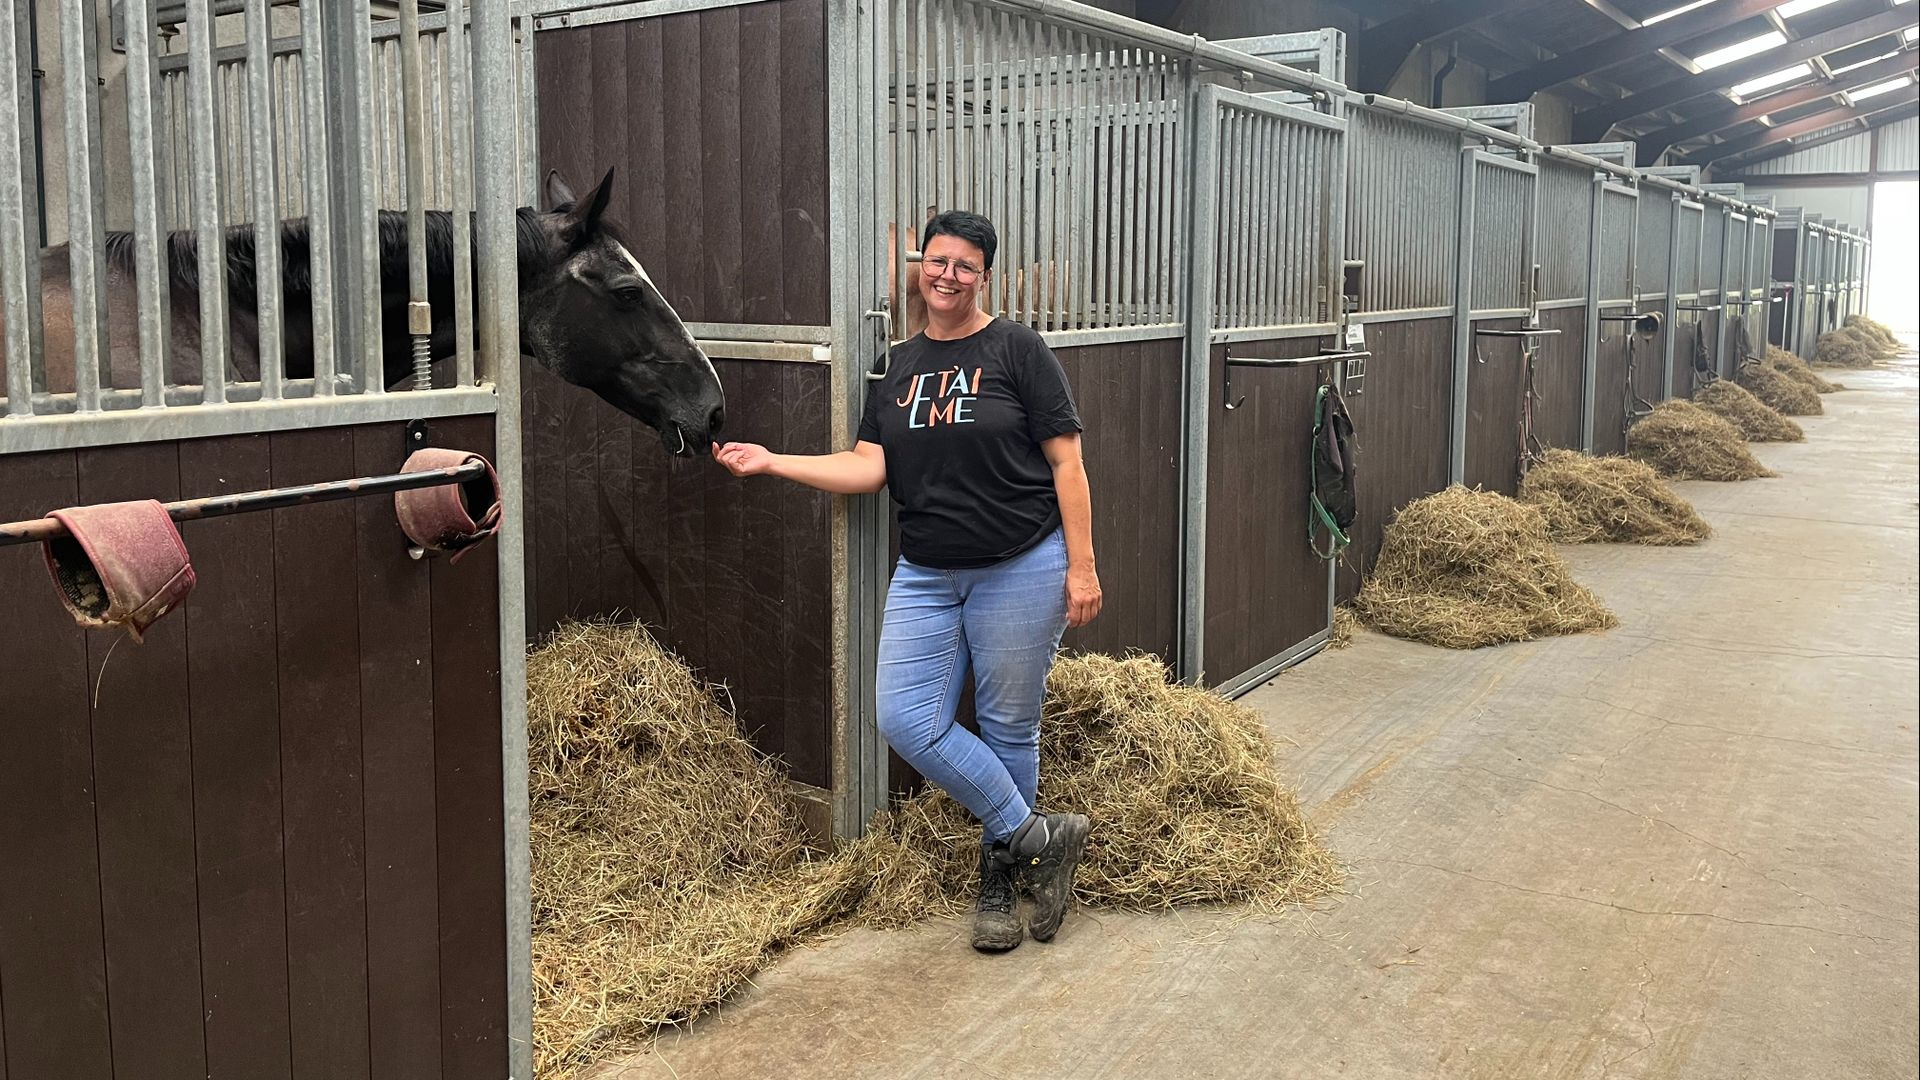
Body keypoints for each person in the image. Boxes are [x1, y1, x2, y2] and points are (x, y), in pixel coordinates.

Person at [711, 210, 1102, 952]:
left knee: (1009, 725)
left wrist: (1082, 567)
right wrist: (774, 462)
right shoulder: (897, 366)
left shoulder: (1017, 349)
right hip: (926, 572)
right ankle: (1037, 838)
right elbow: (868, 466)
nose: (948, 276)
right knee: (905, 718)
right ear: (920, 267)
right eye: (938, 261)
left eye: (965, 266)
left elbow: (1066, 464)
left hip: (1021, 564)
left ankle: (1000, 874)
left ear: (984, 276)